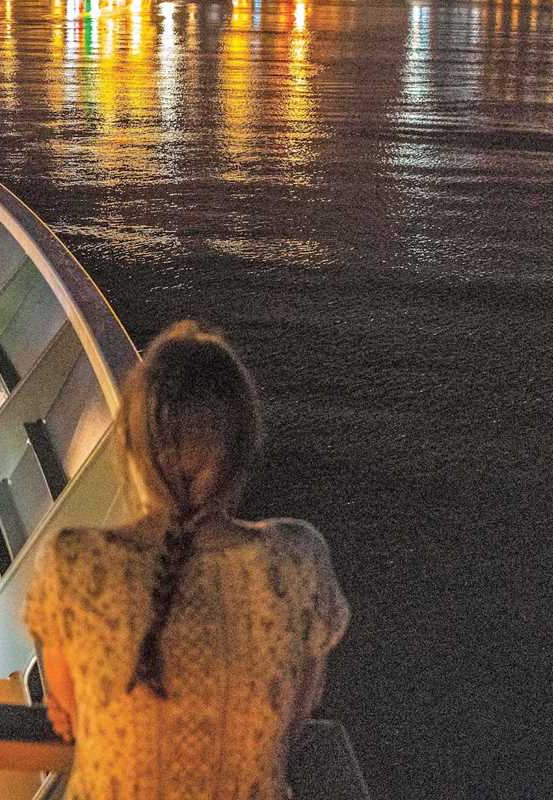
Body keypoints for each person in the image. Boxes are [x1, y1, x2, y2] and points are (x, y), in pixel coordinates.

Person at [25, 321, 348, 800]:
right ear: (241, 453)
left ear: (134, 450)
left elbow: (69, 713)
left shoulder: (75, 563)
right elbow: (294, 717)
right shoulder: (297, 563)